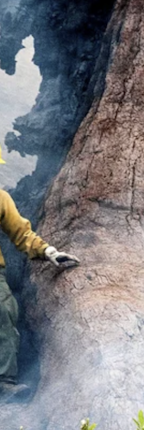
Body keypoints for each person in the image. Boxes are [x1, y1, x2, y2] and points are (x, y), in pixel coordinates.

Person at [0, 145, 79, 398]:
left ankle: (4, 383)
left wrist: (49, 252)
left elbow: (21, 233)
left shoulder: (1, 198)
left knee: (4, 313)